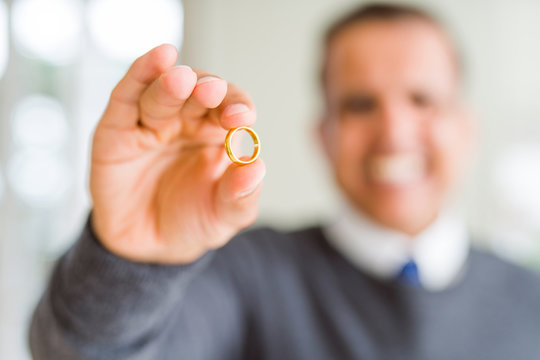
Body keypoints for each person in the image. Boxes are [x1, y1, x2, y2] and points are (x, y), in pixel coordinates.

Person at [30, 3, 540, 359]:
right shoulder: (244, 273)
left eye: (422, 99)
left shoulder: (530, 300)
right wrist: (130, 261)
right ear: (324, 134)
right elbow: (86, 353)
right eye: (360, 104)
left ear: (466, 128)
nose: (394, 131)